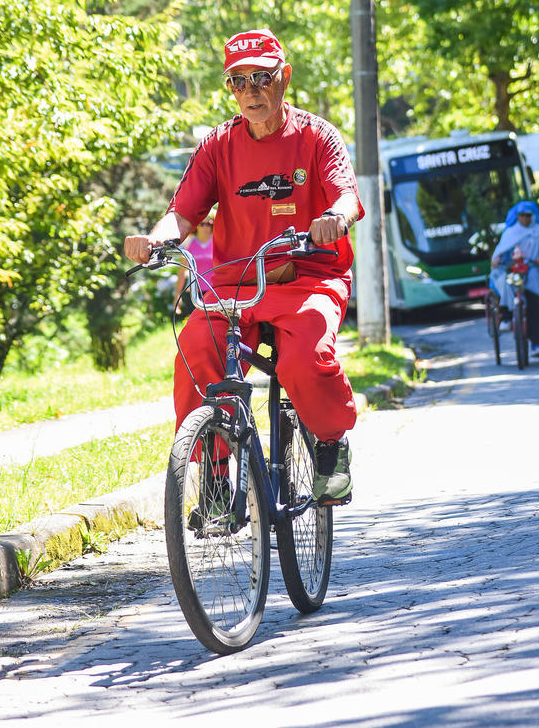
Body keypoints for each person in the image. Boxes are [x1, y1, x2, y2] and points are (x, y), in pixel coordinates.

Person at [124, 28, 364, 505]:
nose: (251, 92)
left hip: (309, 278)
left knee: (305, 360)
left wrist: (335, 217)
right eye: (239, 81)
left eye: (262, 78)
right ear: (229, 87)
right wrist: (156, 240)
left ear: (284, 78)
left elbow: (347, 195)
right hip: (237, 285)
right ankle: (215, 471)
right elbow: (184, 211)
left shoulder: (317, 136)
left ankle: (331, 449)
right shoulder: (218, 146)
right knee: (195, 346)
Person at [490, 200, 539, 357]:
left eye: (529, 215)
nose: (526, 218)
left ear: (533, 216)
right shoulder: (510, 232)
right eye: (522, 215)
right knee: (504, 282)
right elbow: (498, 255)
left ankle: (537, 344)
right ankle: (506, 316)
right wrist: (497, 260)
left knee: (535, 301)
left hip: (532, 269)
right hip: (512, 269)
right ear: (517, 216)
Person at [173, 211, 214, 317]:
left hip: (214, 291)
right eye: (202, 224)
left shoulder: (218, 242)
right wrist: (177, 296)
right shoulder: (189, 244)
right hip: (194, 293)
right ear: (196, 226)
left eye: (209, 224)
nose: (206, 227)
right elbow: (182, 272)